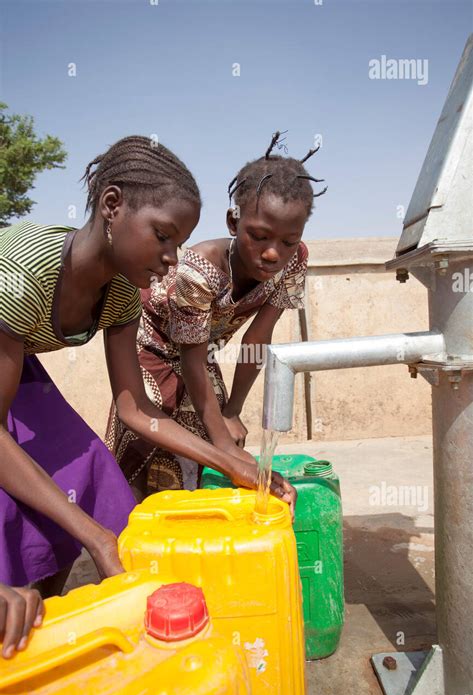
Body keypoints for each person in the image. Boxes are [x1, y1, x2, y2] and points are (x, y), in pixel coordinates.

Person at [0, 135, 293, 621]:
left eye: (178, 244)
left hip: (15, 365)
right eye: (163, 236)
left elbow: (136, 409)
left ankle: (46, 616)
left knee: (90, 474)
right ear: (112, 204)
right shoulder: (21, 272)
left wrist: (232, 464)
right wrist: (94, 537)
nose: (172, 259)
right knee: (21, 508)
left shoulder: (118, 293)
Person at [107, 131, 326, 499]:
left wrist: (232, 410)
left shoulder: (295, 261)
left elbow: (258, 339)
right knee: (149, 436)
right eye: (258, 236)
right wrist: (225, 448)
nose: (273, 253)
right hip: (153, 347)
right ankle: (131, 520)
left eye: (288, 241)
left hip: (200, 354)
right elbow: (189, 361)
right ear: (232, 223)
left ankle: (199, 534)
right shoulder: (199, 269)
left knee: (213, 444)